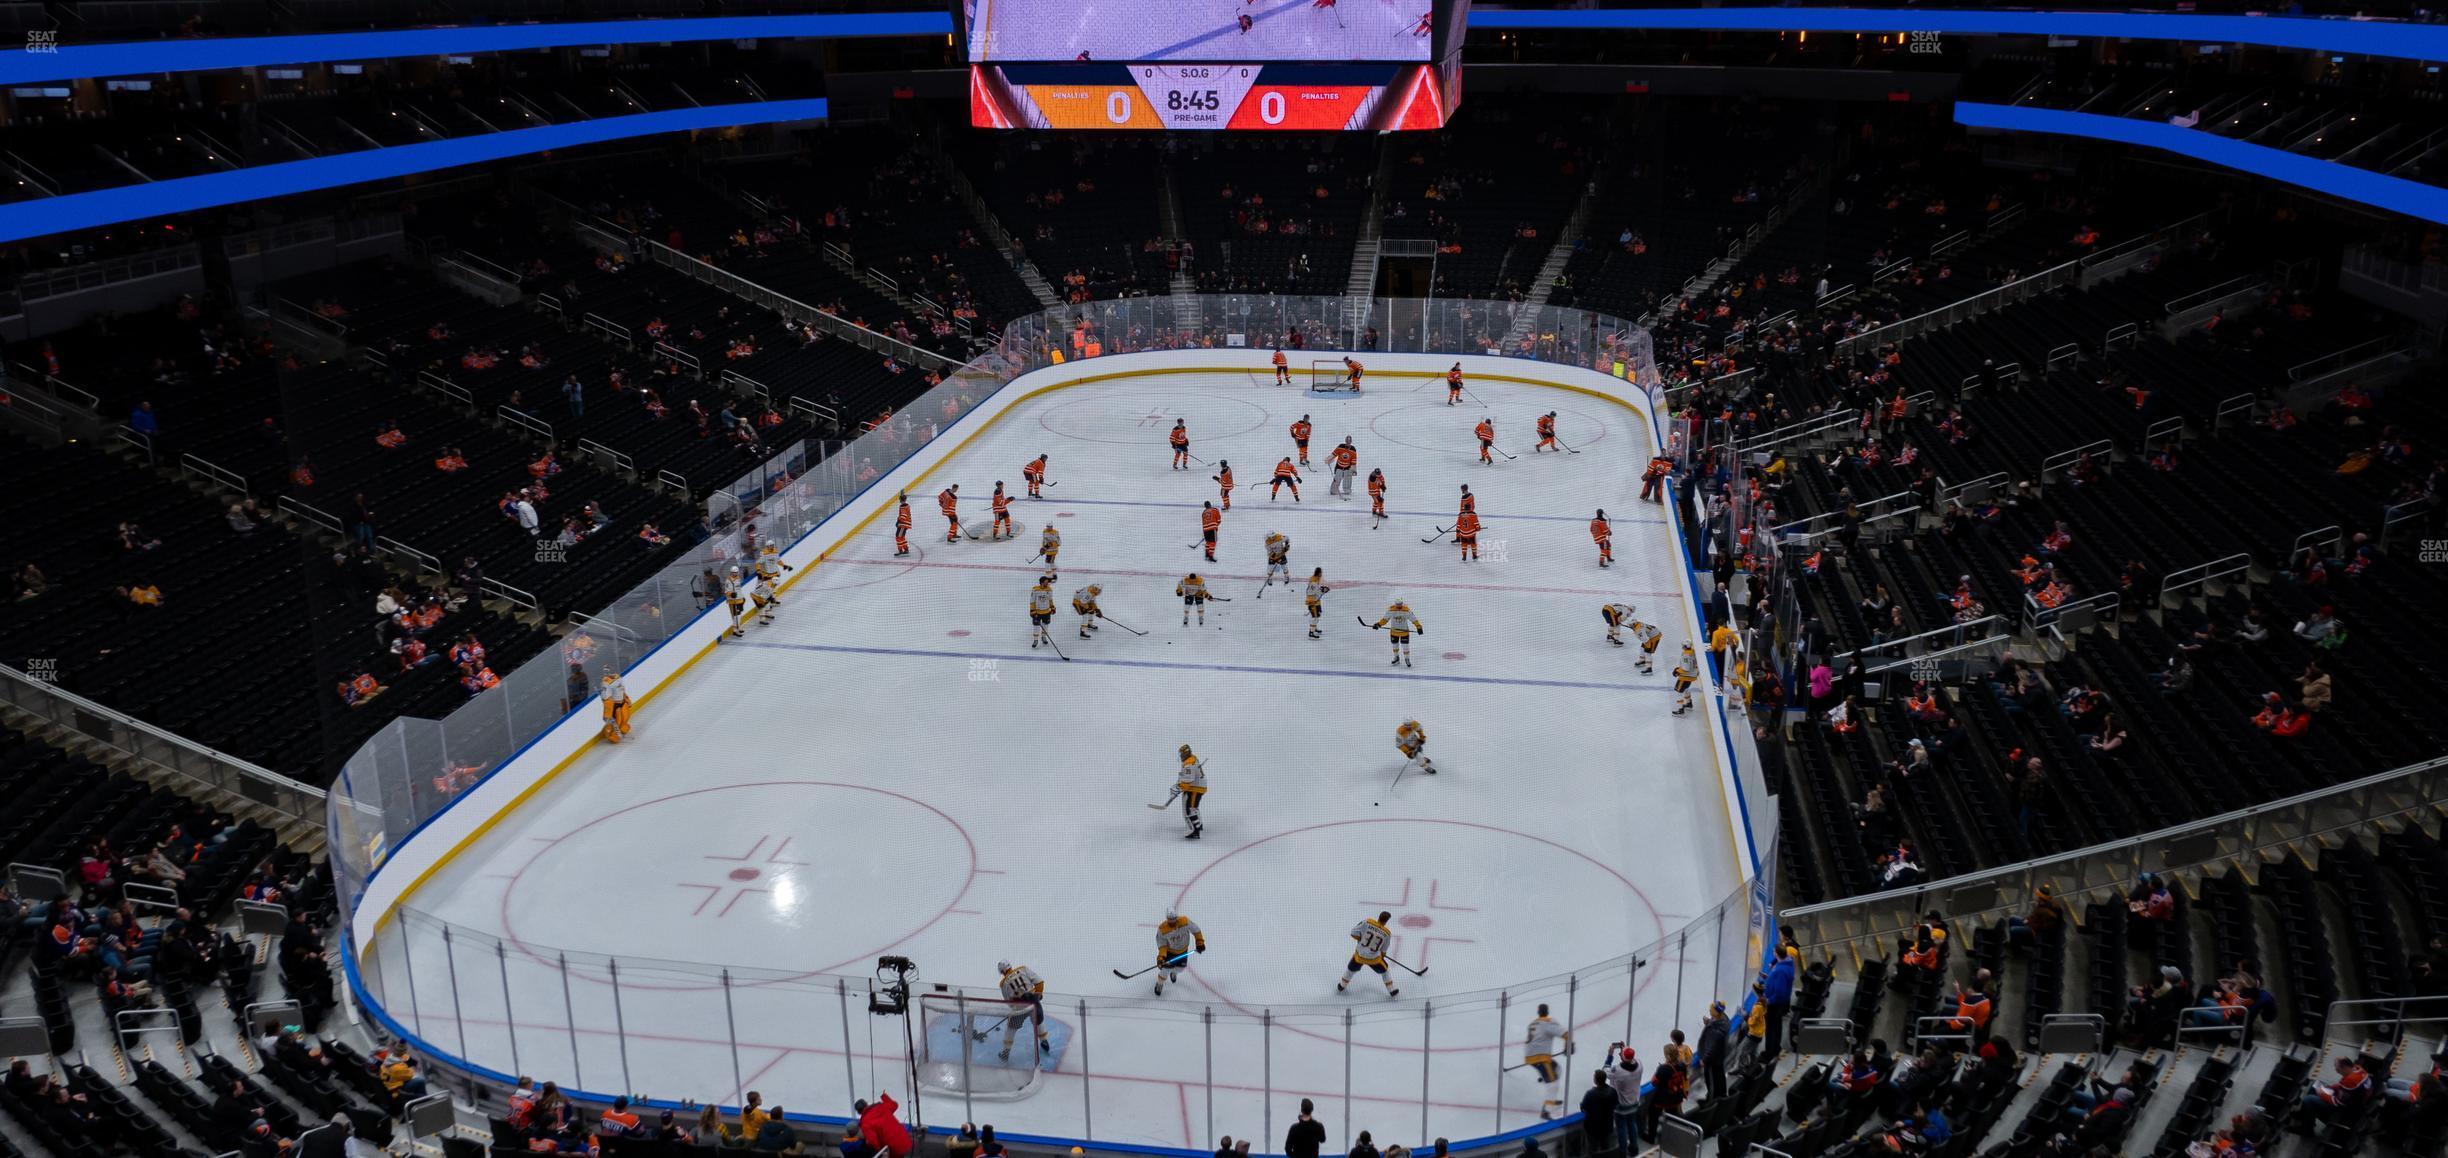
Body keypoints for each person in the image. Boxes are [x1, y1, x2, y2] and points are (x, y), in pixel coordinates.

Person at [1339, 910, 1400, 997]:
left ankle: (1342, 985)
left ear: (1379, 917)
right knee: (1385, 970)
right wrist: (1381, 954)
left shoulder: (1367, 922)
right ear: (1386, 921)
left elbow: (1353, 933)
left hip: (1359, 955)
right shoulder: (1387, 933)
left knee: (1350, 969)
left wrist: (1360, 939)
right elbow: (1383, 950)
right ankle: (1391, 990)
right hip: (1373, 959)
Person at [1524, 1003, 1569, 1118]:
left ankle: (1550, 1096)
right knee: (1553, 1084)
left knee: (1557, 1069)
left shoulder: (1533, 1023)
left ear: (1538, 1012)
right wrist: (1569, 1046)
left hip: (1531, 1056)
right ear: (1547, 1012)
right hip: (1541, 1057)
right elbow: (1566, 1034)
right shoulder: (1548, 1022)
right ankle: (1546, 1110)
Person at [1579, 1070, 1619, 1153]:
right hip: (1607, 1126)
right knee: (1605, 1146)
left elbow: (1583, 1108)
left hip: (1593, 1128)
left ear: (1596, 1080)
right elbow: (1616, 1104)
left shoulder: (1590, 1094)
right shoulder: (1612, 1091)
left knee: (1592, 1149)